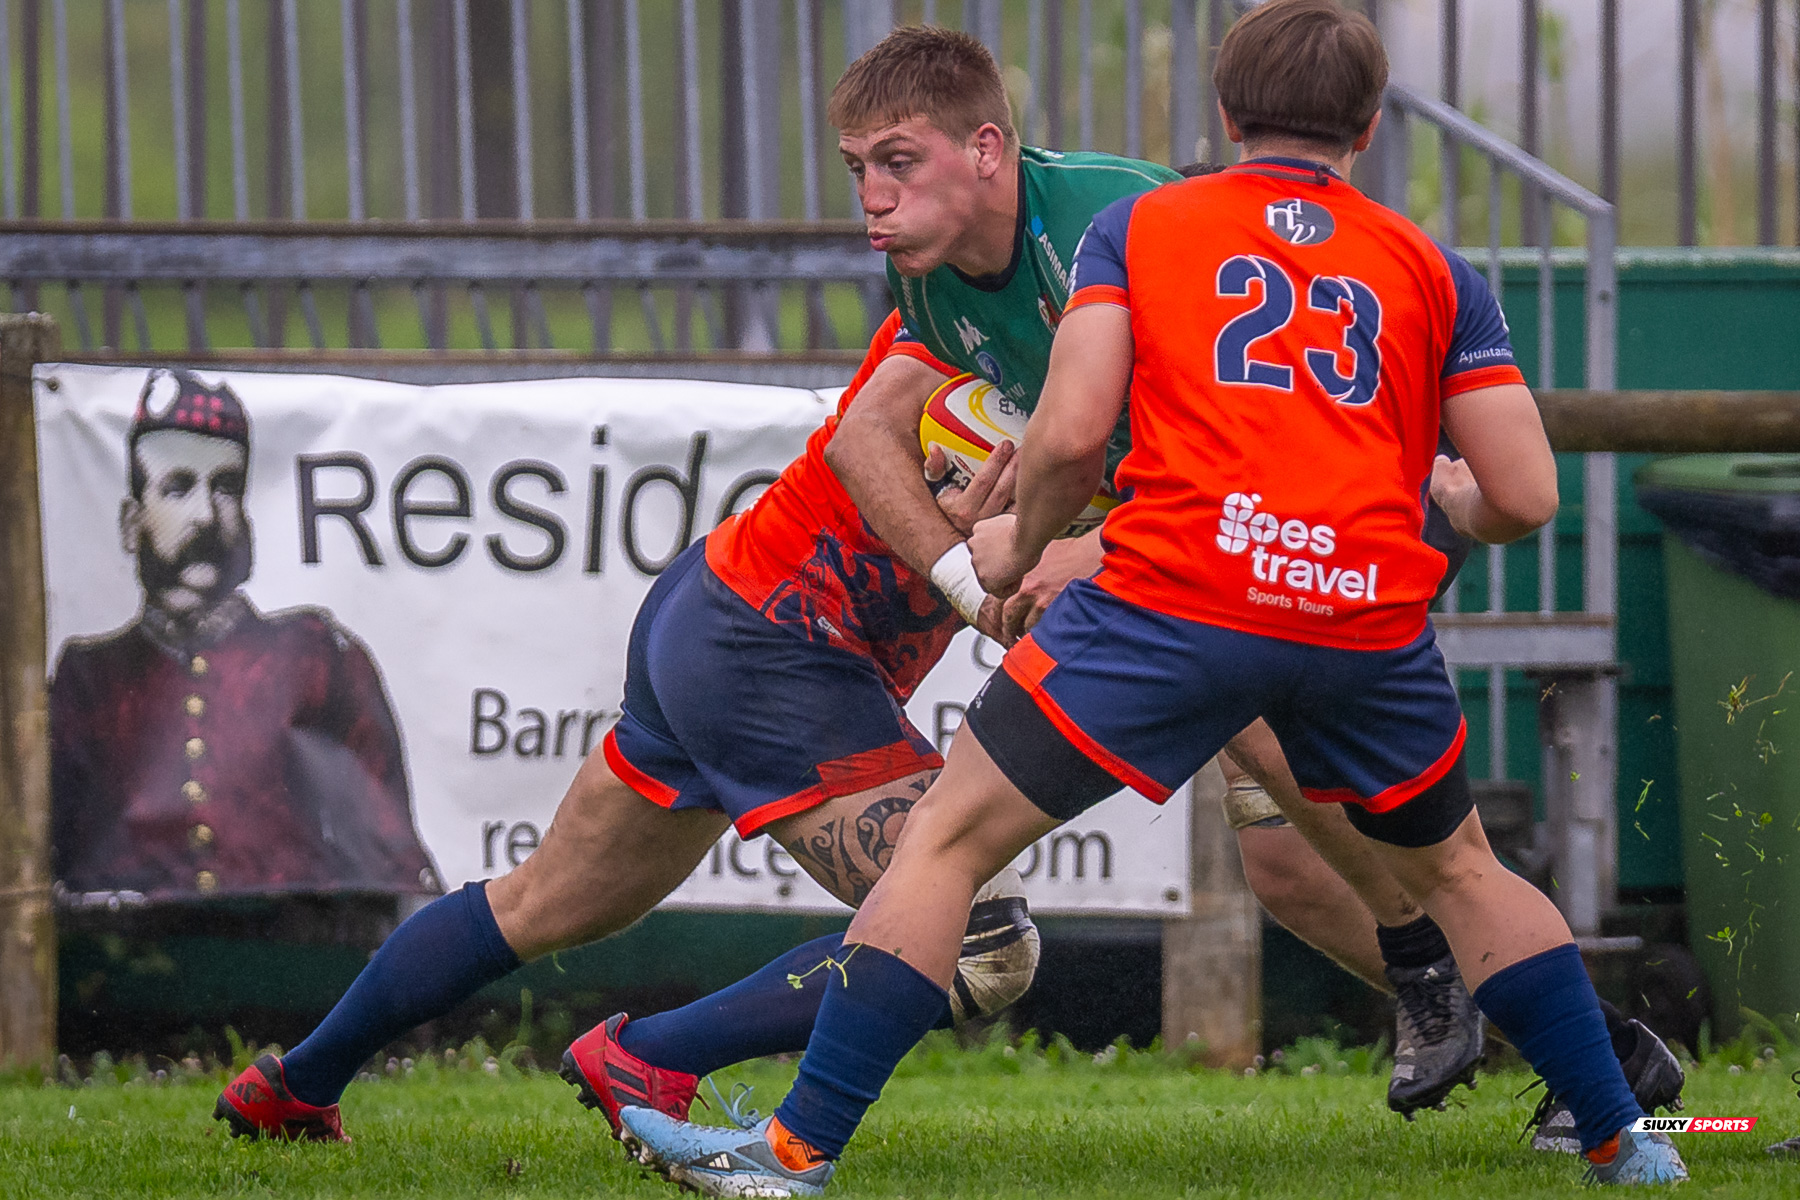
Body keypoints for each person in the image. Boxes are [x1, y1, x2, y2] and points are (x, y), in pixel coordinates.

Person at [616, 2, 1687, 1192]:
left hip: (1179, 596)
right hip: (1357, 609)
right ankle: (1623, 1143)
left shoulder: (1144, 226)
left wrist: (1018, 550)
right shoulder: (1431, 266)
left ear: (1225, 116)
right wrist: (1451, 503)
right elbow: (1525, 493)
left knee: (948, 844)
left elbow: (1072, 432)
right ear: (1371, 128)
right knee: (1464, 871)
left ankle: (792, 1154)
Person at [214, 312, 1044, 1144]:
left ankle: (293, 1086)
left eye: (890, 170)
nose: (875, 201)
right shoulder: (982, 300)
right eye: (866, 171)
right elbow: (868, 441)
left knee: (540, 902)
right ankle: (652, 1056)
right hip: (775, 642)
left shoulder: (1035, 314)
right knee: (984, 939)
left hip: (720, 610)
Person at [50, 369, 434, 903]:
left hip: (294, 964)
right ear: (130, 523)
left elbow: (390, 855)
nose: (207, 515)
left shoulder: (315, 656)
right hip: (127, 970)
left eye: (226, 487)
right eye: (178, 487)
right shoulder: (88, 678)